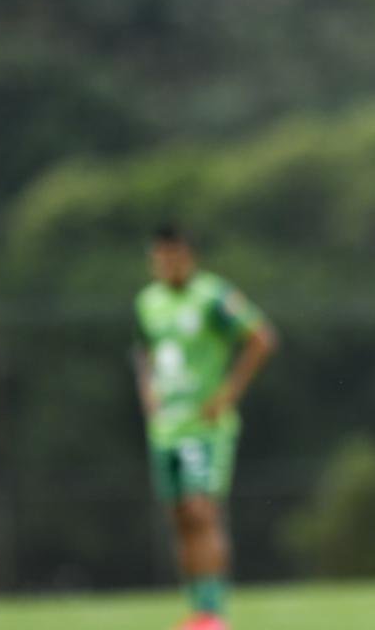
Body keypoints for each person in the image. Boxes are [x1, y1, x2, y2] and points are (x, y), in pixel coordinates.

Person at [133, 225, 277, 630]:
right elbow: (142, 349)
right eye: (160, 258)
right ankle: (197, 608)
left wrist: (229, 393)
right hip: (166, 429)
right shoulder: (147, 303)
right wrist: (147, 392)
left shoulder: (212, 297)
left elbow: (261, 337)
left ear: (189, 257)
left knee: (202, 511)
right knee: (180, 515)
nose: (167, 265)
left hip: (203, 427)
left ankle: (214, 612)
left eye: (174, 257)